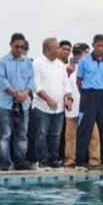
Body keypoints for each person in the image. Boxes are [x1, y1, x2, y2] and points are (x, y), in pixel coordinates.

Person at [75, 34, 103, 172]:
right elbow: (79, 80)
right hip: (88, 94)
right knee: (84, 128)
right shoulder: (84, 61)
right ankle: (80, 161)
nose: (100, 48)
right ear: (93, 45)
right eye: (98, 46)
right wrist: (85, 94)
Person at [33, 37, 72, 169]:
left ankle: (53, 159)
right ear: (48, 49)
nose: (59, 50)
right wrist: (48, 99)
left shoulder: (60, 65)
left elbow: (66, 84)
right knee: (42, 134)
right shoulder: (37, 63)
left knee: (55, 135)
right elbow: (35, 85)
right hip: (42, 107)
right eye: (57, 48)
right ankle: (43, 160)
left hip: (59, 107)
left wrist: (69, 98)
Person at [0, 33, 34, 171]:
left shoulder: (28, 62)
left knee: (22, 135)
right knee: (5, 135)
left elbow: (31, 80)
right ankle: (5, 162)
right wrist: (15, 93)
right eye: (16, 46)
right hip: (7, 104)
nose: (19, 49)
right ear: (10, 45)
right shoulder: (3, 61)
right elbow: (2, 81)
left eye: (22, 47)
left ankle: (20, 161)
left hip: (23, 104)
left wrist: (25, 93)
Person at [64, 43, 100, 168]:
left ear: (86, 53)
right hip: (72, 104)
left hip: (88, 104)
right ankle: (71, 158)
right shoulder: (68, 68)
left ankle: (94, 158)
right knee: (70, 135)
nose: (76, 55)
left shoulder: (92, 67)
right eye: (75, 53)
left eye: (79, 53)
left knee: (93, 134)